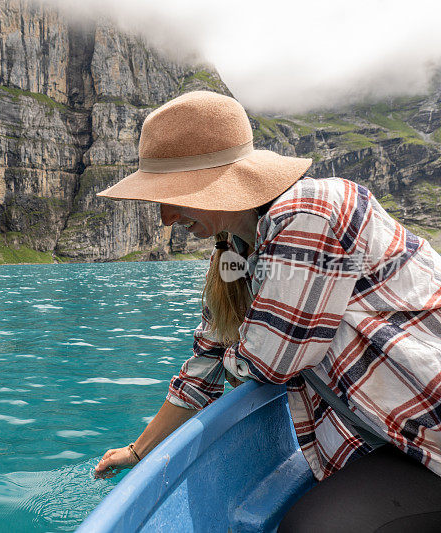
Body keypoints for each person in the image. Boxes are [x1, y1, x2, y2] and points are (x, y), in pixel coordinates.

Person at [92, 90, 441, 531]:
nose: (165, 217)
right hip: (393, 439)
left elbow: (271, 360)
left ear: (217, 180)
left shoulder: (308, 212)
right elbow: (205, 363)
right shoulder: (232, 255)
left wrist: (233, 355)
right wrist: (138, 451)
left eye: (172, 194)